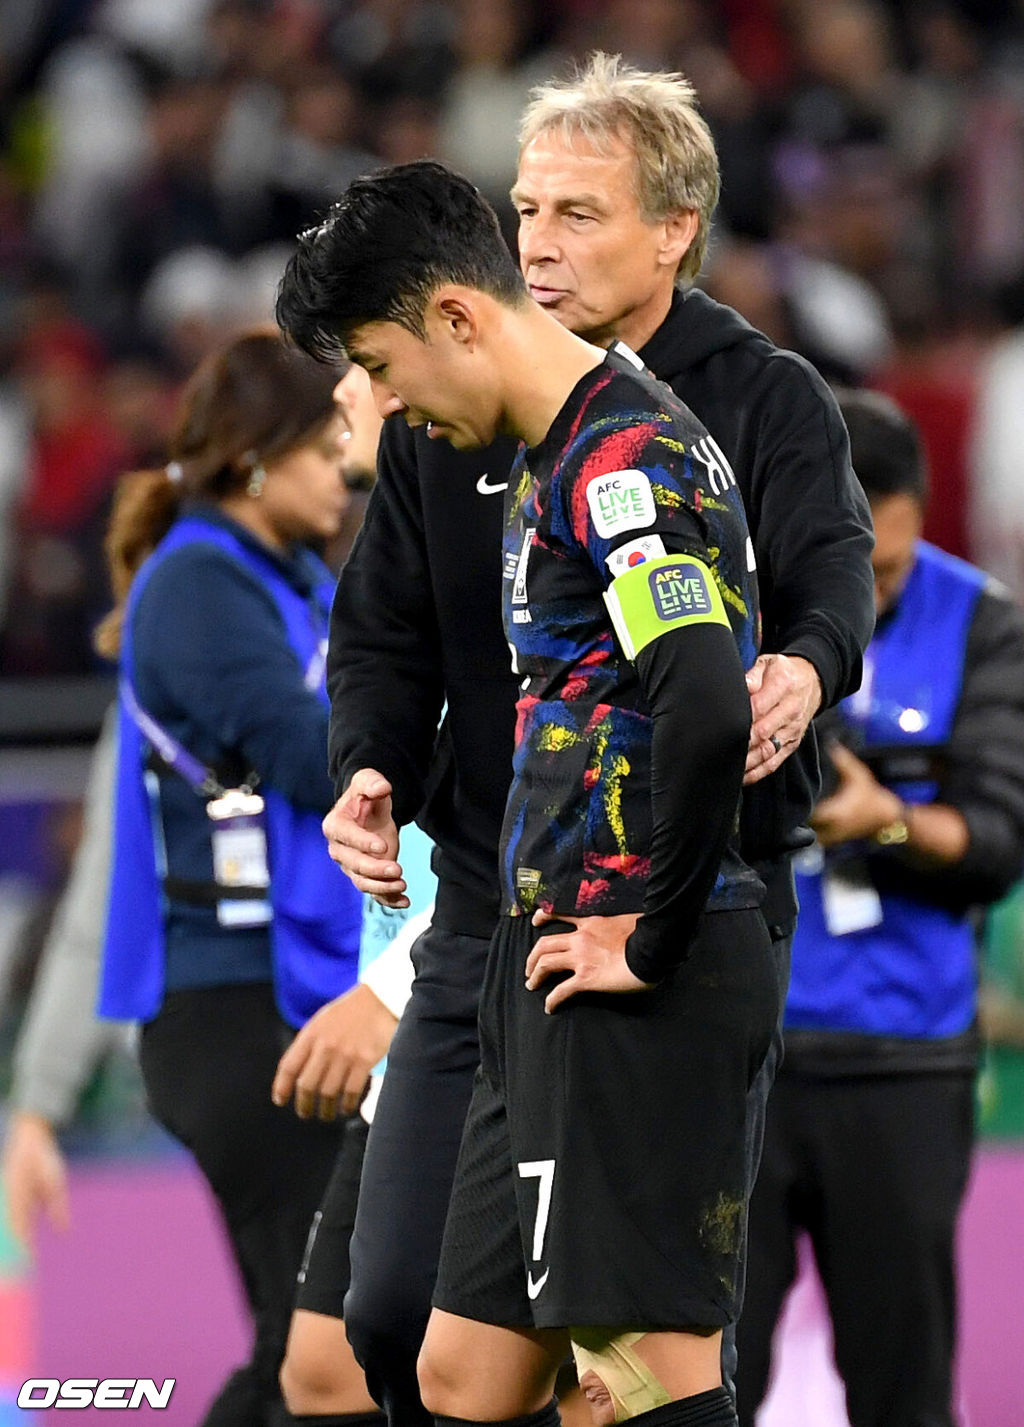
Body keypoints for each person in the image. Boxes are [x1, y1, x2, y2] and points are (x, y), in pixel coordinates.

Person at [277, 54, 875, 1427]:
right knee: (442, 1356)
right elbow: (383, 635)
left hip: (645, 925)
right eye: (527, 207)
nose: (540, 239)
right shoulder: (521, 428)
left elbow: (732, 672)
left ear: (675, 227)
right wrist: (375, 759)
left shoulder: (648, 446)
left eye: (578, 212)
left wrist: (802, 668)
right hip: (508, 918)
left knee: (628, 1367)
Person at [734, 390, 1024, 1427]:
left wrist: (883, 818)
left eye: (892, 569)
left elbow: (997, 840)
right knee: (695, 1387)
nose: (874, 586)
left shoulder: (983, 624)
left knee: (902, 1387)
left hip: (900, 1062)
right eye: (856, 562)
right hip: (734, 1063)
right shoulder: (711, 608)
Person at [96, 328, 368, 1427]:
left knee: (315, 1344)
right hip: (233, 1004)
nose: (342, 472)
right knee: (314, 1351)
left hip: (283, 983)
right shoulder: (202, 584)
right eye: (322, 452)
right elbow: (315, 759)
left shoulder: (281, 575)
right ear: (255, 458)